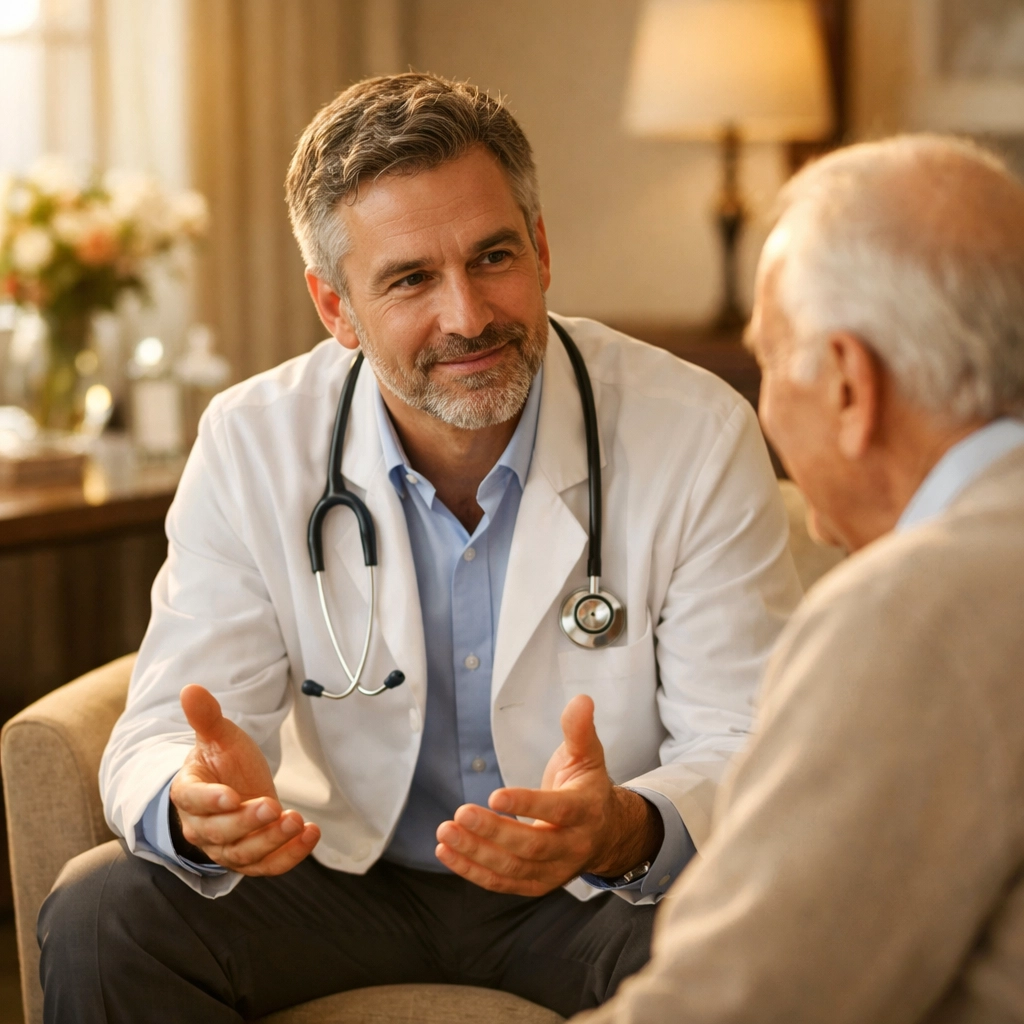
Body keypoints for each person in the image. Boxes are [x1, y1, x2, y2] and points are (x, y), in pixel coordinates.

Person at [37, 73, 801, 1022]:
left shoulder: (692, 430)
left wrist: (620, 829)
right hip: (343, 875)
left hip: (590, 891)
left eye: (493, 257)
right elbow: (158, 730)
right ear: (335, 308)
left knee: (751, 928)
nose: (469, 315)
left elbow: (745, 742)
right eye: (410, 280)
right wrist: (196, 807)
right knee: (100, 915)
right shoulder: (253, 440)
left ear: (544, 248)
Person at [571, 134, 1024, 1024]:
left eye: (770, 359)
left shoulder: (910, 611)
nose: (768, 409)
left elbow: (739, 1005)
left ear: (850, 386)